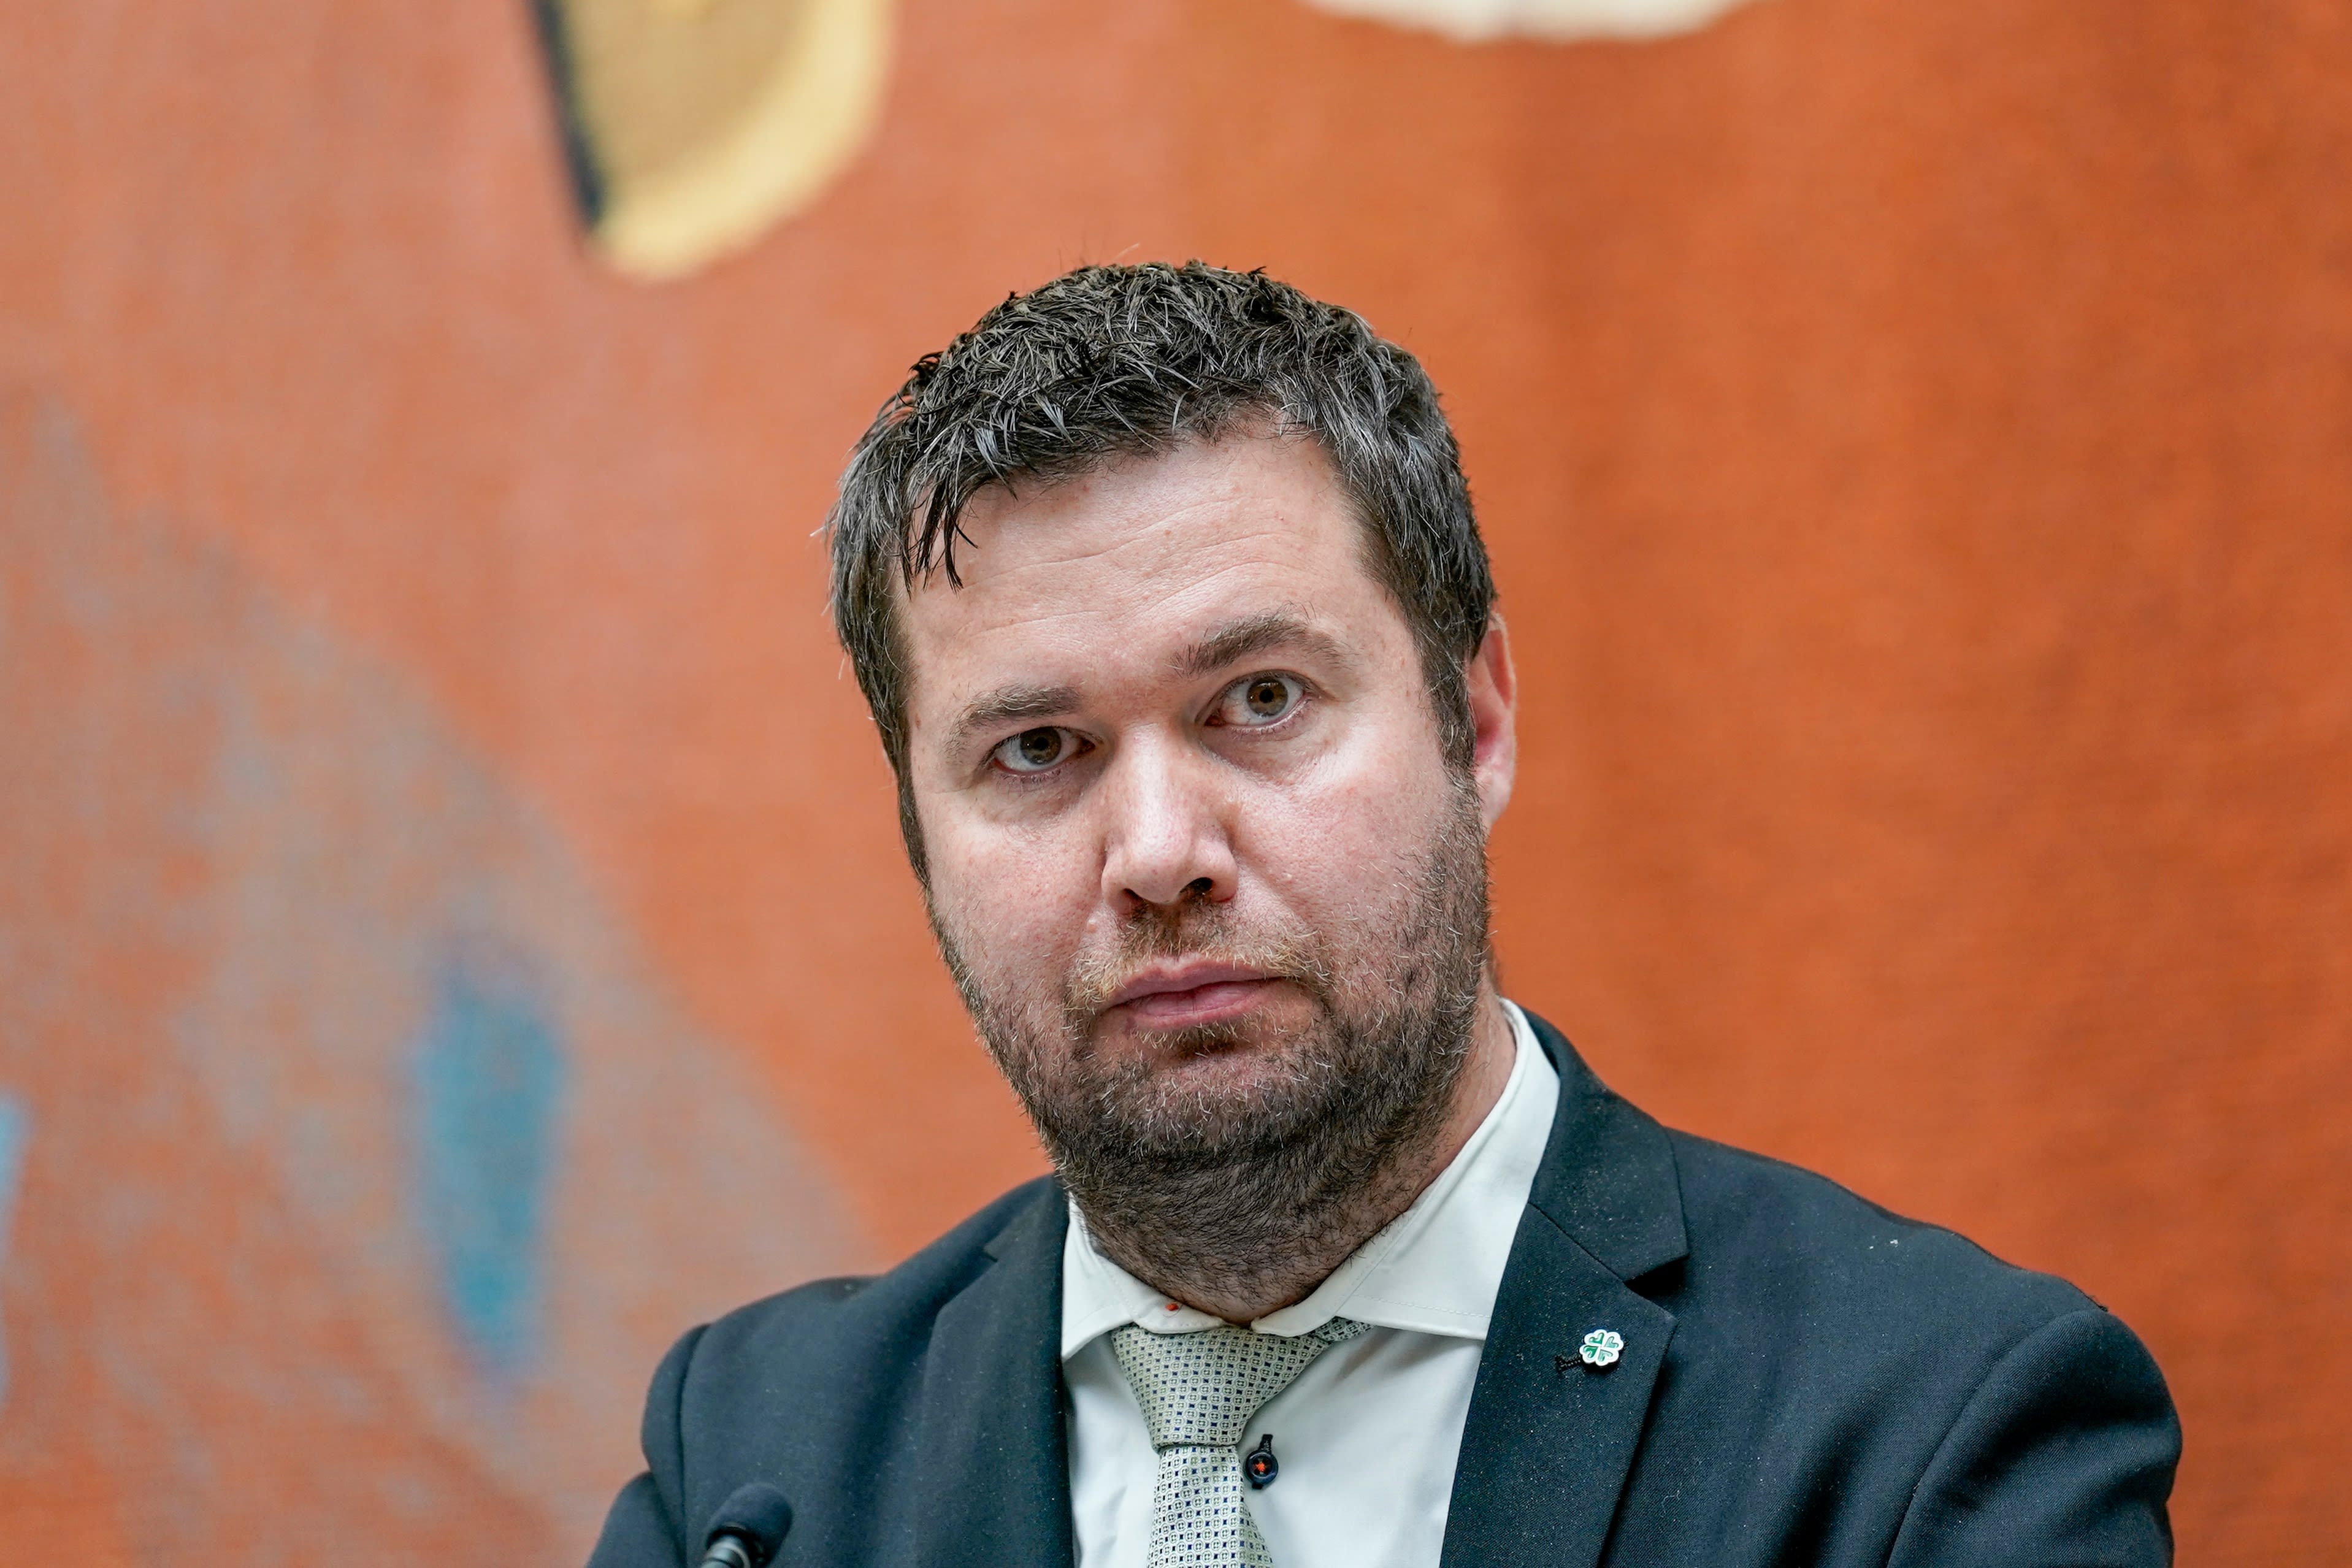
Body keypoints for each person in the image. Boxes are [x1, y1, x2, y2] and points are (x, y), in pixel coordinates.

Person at [585, 262, 2178, 1568]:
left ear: (1472, 721)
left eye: (1261, 699)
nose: (1159, 853)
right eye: (1038, 750)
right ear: (917, 835)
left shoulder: (1924, 1432)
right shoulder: (757, 1467)